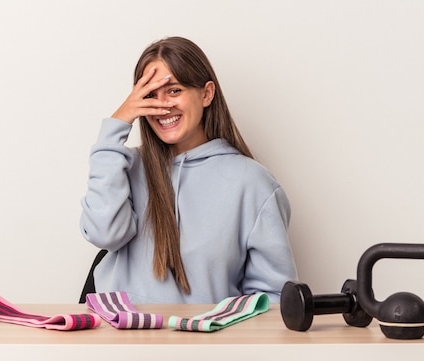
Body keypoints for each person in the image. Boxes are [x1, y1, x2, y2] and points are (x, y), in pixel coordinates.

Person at [80, 36, 297, 304]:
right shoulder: (125, 168)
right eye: (149, 95)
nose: (162, 105)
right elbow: (104, 234)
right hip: (117, 337)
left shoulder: (253, 184)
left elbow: (272, 298)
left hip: (204, 342)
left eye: (174, 91)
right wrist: (114, 128)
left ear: (206, 94)